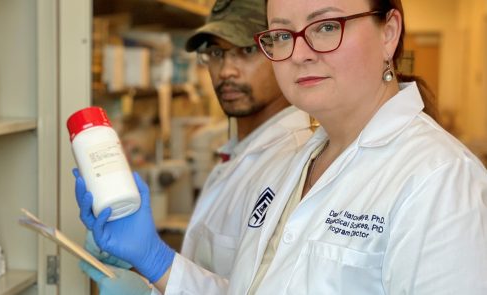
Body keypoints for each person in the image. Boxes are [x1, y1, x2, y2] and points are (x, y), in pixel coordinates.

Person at [220, 0, 487, 293]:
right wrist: (165, 265)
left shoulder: (441, 178)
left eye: (326, 27)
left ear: (388, 33)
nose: (299, 54)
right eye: (283, 35)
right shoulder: (293, 161)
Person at [75, 0, 313, 293]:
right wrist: (136, 261)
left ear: (281, 50)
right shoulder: (238, 155)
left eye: (247, 50)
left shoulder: (296, 163)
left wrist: (155, 259)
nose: (226, 70)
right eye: (215, 53)